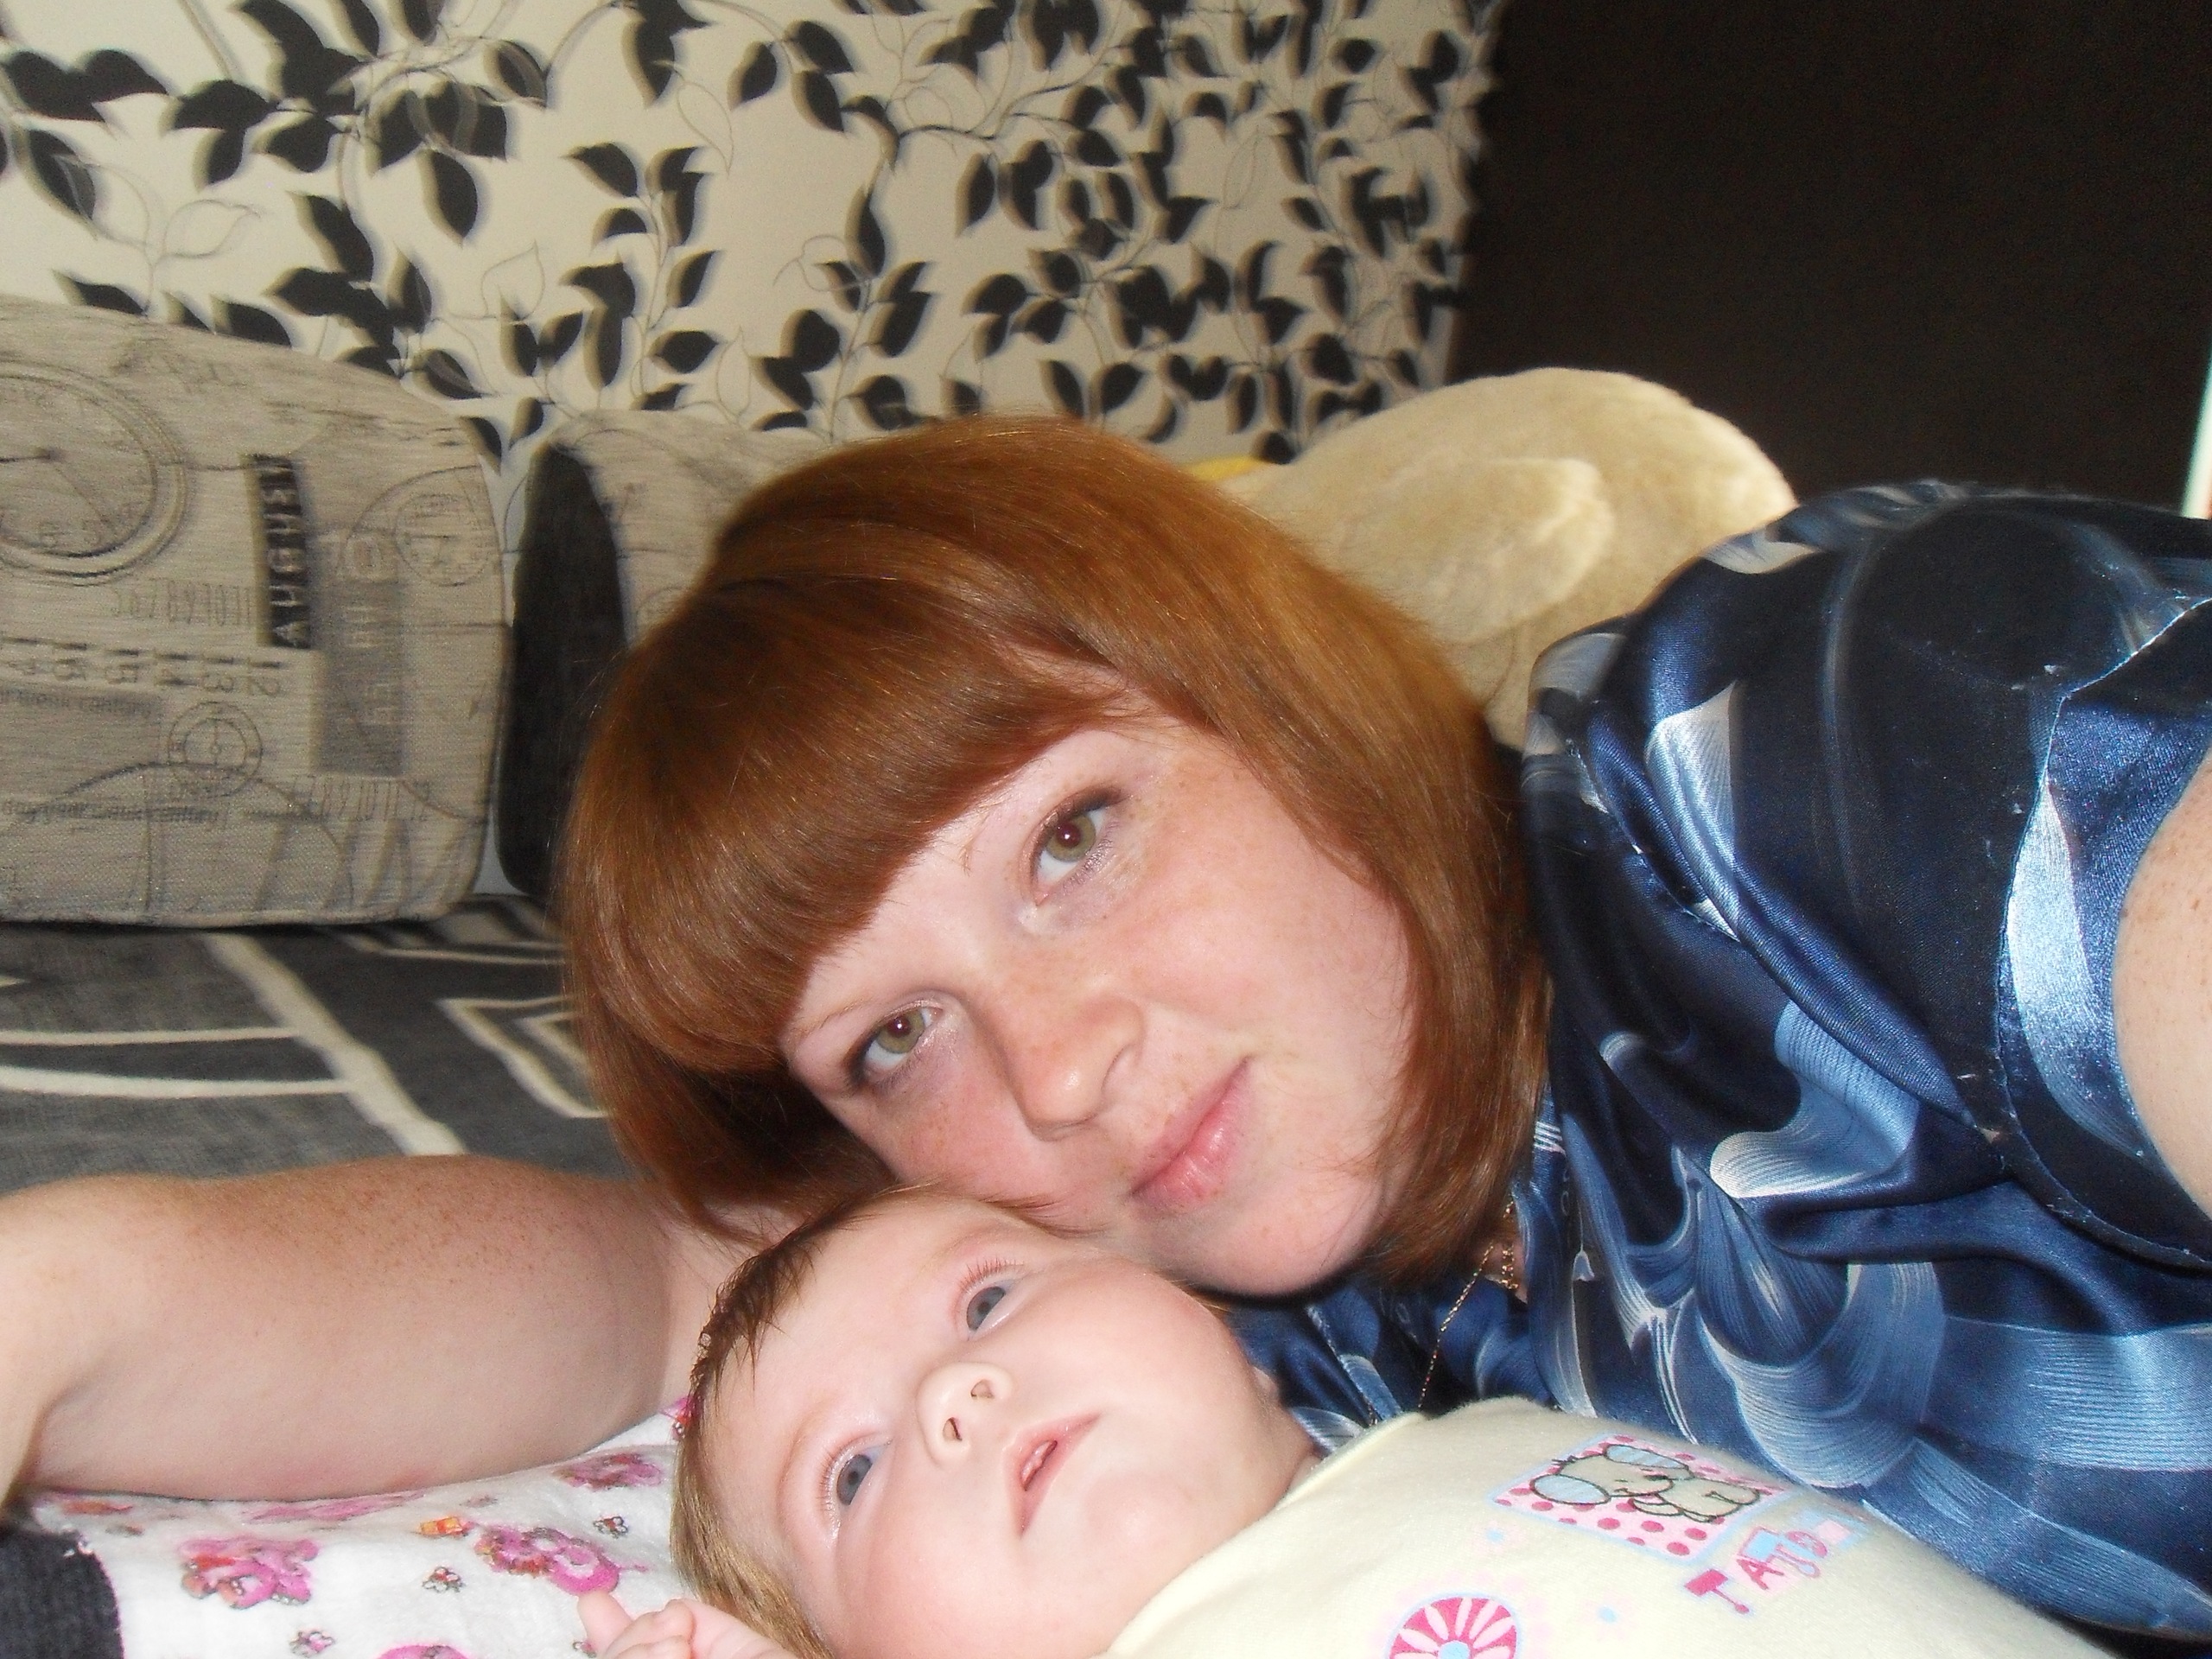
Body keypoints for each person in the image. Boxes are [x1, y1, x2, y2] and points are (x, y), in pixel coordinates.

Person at [4, 418, 2209, 1642]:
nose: (1052, 1075)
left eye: (1071, 836)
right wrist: (60, 1290)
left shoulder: (1809, 741)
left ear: (1276, 688)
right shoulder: (1176, 1305)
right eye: (894, 1039)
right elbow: (667, 1296)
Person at [576, 1185, 2096, 1659]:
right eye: (852, 1474)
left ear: (1201, 1317)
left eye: (987, 1301)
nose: (951, 1394)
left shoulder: (1499, 1408)